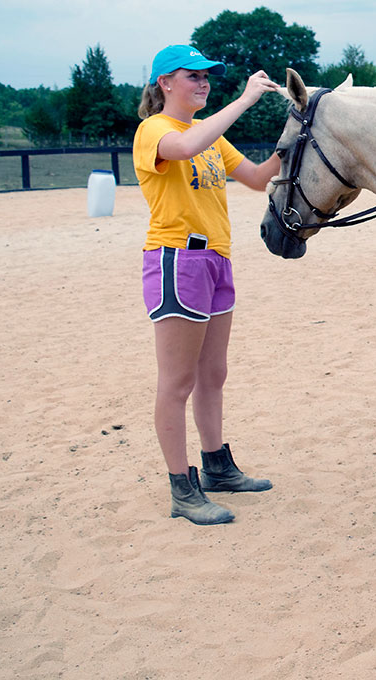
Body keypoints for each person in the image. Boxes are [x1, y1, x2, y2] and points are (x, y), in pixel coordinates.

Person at [133, 44, 282, 525]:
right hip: (178, 258)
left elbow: (259, 179)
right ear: (165, 84)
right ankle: (183, 488)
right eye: (191, 75)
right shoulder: (155, 130)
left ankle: (218, 468)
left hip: (216, 259)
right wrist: (243, 101)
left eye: (207, 76)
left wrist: (295, 133)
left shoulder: (210, 139)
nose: (202, 82)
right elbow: (185, 148)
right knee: (177, 381)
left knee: (212, 374)